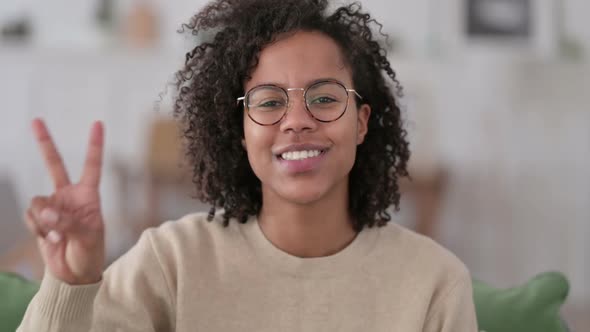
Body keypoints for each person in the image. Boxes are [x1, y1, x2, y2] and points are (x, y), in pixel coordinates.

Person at [18, 0, 478, 331]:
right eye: (269, 101)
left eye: (323, 98)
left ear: (361, 123)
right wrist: (71, 281)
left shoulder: (434, 282)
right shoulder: (171, 261)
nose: (297, 121)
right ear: (240, 130)